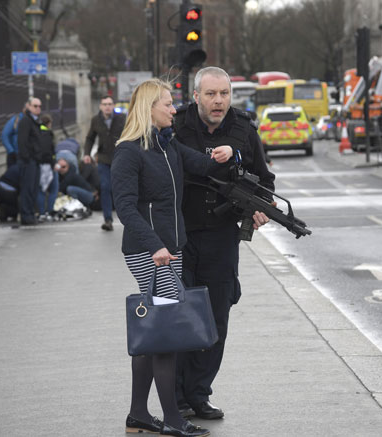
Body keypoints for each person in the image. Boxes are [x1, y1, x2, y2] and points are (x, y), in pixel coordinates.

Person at [111, 78, 240, 437]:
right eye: (167, 104)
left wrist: (232, 153)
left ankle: (138, 413)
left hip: (171, 249)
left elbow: (206, 166)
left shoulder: (168, 147)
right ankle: (171, 419)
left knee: (155, 331)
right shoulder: (129, 151)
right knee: (166, 334)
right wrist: (154, 245)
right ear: (149, 108)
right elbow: (124, 207)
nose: (174, 109)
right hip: (148, 252)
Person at [173, 66, 275, 420]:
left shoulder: (244, 129)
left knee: (216, 316)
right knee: (181, 315)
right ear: (196, 95)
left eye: (224, 94)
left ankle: (199, 394)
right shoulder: (176, 125)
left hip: (221, 235)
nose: (218, 101)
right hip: (179, 235)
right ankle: (177, 397)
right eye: (211, 94)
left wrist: (260, 208)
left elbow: (265, 179)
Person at [83, 95, 126, 231]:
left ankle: (128, 219)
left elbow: (130, 134)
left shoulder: (121, 118)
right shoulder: (96, 120)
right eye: (104, 104)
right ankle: (108, 219)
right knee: (105, 187)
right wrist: (86, 154)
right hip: (103, 159)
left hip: (120, 158)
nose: (107, 106)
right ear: (100, 106)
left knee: (122, 188)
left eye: (110, 104)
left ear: (113, 106)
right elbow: (90, 138)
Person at [17, 97, 43, 225]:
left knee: (33, 189)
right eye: (35, 106)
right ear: (28, 106)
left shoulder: (36, 121)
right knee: (27, 189)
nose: (38, 108)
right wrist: (27, 157)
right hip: (28, 161)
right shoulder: (26, 121)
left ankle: (31, 214)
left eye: (39, 106)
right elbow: (22, 142)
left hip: (35, 160)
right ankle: (26, 215)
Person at [36, 114, 58, 221]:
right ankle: (48, 212)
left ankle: (41, 213)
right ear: (49, 123)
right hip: (48, 165)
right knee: (54, 189)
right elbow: (49, 152)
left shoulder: (37, 132)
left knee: (41, 190)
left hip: (39, 164)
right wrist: (54, 163)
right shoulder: (47, 134)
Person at [1, 103, 28, 168]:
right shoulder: (16, 120)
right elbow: (4, 135)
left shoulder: (34, 121)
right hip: (16, 156)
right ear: (24, 109)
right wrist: (11, 151)